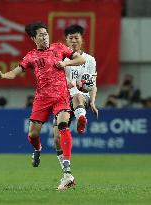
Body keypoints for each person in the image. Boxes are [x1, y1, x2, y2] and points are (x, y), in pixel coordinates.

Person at [0, 21, 85, 190]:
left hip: (61, 97)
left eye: (46, 33)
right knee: (33, 135)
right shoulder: (31, 56)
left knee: (63, 126)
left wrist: (65, 63)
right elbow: (15, 73)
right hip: (41, 99)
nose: (45, 37)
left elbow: (80, 58)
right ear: (34, 38)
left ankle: (67, 173)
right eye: (41, 35)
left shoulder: (59, 48)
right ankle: (37, 149)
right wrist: (3, 76)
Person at [53, 24, 98, 176]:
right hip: (62, 98)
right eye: (70, 38)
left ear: (82, 40)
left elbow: (92, 84)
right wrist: (69, 82)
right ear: (65, 40)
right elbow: (58, 78)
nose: (73, 40)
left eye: (76, 37)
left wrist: (92, 101)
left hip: (80, 97)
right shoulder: (60, 58)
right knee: (57, 139)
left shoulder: (90, 60)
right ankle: (66, 170)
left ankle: (81, 118)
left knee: (78, 95)